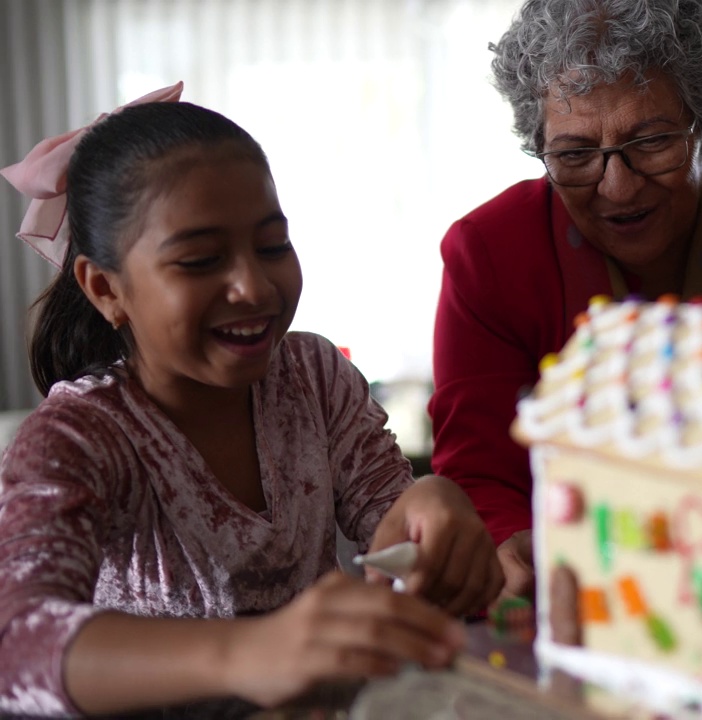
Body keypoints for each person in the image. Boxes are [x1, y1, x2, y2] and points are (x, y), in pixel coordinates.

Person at [0, 87, 504, 716]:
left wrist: (432, 507)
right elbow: (17, 645)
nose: (254, 285)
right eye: (201, 260)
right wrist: (248, 652)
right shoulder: (81, 436)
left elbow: (394, 525)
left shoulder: (316, 378)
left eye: (272, 246)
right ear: (106, 289)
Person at [430, 0, 702, 599]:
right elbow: (478, 470)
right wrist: (511, 544)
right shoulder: (492, 254)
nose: (618, 186)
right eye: (575, 154)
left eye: (653, 141)